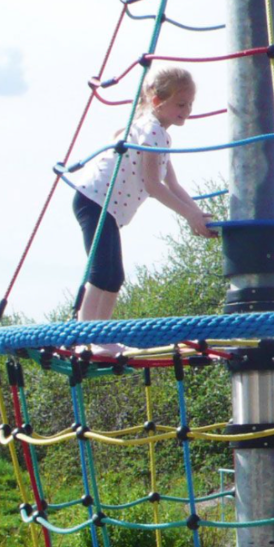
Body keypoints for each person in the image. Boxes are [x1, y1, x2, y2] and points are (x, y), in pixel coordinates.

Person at [71, 66, 215, 348]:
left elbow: (172, 184)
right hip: (96, 200)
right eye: (181, 104)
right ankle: (85, 337)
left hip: (106, 206)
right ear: (159, 102)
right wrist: (190, 216)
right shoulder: (151, 131)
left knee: (114, 275)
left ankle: (101, 337)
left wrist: (198, 214)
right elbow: (153, 185)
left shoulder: (160, 133)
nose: (186, 110)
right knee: (102, 271)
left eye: (190, 104)